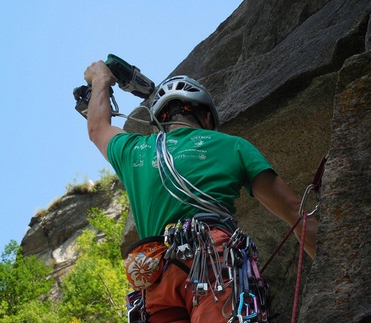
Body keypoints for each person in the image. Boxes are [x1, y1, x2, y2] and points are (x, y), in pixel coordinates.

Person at [83, 60, 318, 323]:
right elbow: (296, 214)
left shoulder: (133, 150)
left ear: (160, 119)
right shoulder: (232, 145)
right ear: (206, 117)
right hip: (211, 262)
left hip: (153, 273)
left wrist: (100, 79)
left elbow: (97, 128)